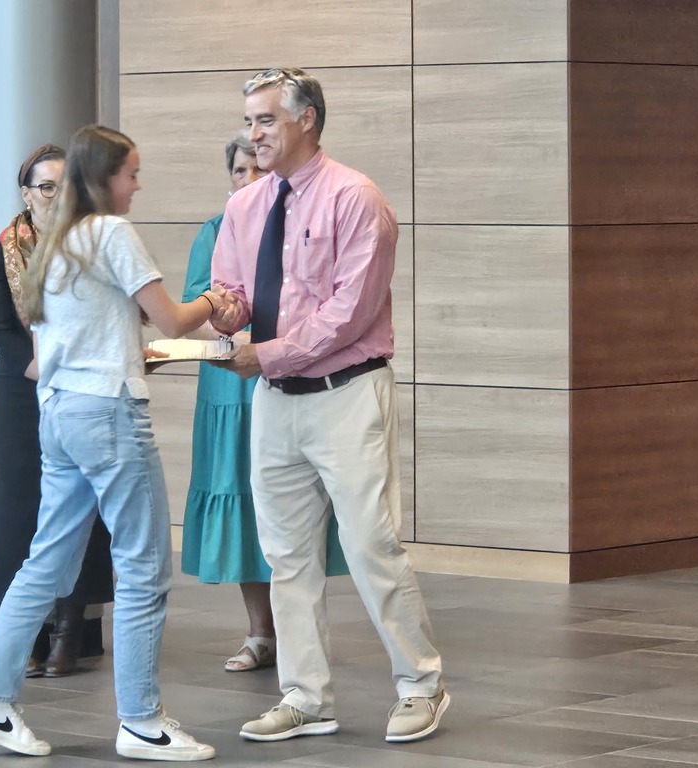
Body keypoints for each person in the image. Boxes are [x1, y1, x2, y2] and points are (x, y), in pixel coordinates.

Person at [0, 124, 238, 761]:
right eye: (132, 174)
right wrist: (216, 299)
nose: (138, 185)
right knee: (144, 565)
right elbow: (169, 316)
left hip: (59, 412)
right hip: (108, 415)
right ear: (105, 177)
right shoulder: (110, 232)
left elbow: (101, 327)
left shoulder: (54, 239)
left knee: (46, 561)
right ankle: (141, 722)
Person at [210, 68, 449, 744]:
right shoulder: (245, 206)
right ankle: (305, 696)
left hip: (346, 394)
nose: (253, 134)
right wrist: (224, 316)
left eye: (265, 120)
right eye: (249, 121)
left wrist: (268, 353)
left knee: (373, 543)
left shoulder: (355, 197)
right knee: (286, 556)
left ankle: (421, 685)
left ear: (307, 119)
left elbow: (351, 312)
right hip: (274, 400)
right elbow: (229, 291)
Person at [180, 131, 348, 673]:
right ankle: (260, 633)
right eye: (238, 171)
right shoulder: (214, 231)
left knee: (294, 508)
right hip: (231, 386)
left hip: (291, 374)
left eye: (257, 169)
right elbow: (195, 309)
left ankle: (300, 630)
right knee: (240, 500)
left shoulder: (302, 224)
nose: (248, 180)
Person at [0, 144, 113, 678]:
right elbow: (0, 332)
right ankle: (28, 633)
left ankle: (70, 632)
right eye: (46, 186)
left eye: (66, 185)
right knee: (19, 512)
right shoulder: (2, 250)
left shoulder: (92, 246)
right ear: (27, 192)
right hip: (21, 392)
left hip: (82, 390)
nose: (56, 196)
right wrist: (46, 370)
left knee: (81, 512)